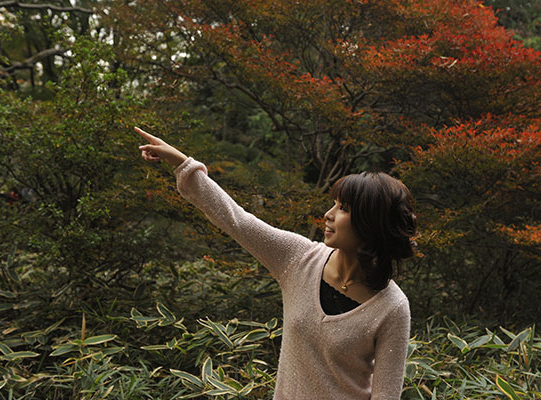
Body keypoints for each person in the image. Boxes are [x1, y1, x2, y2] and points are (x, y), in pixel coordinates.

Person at [135, 126, 417, 400]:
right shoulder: (299, 259)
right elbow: (238, 221)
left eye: (343, 208)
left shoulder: (392, 307)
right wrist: (183, 163)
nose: (328, 214)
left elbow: (386, 395)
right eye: (333, 203)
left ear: (370, 223)